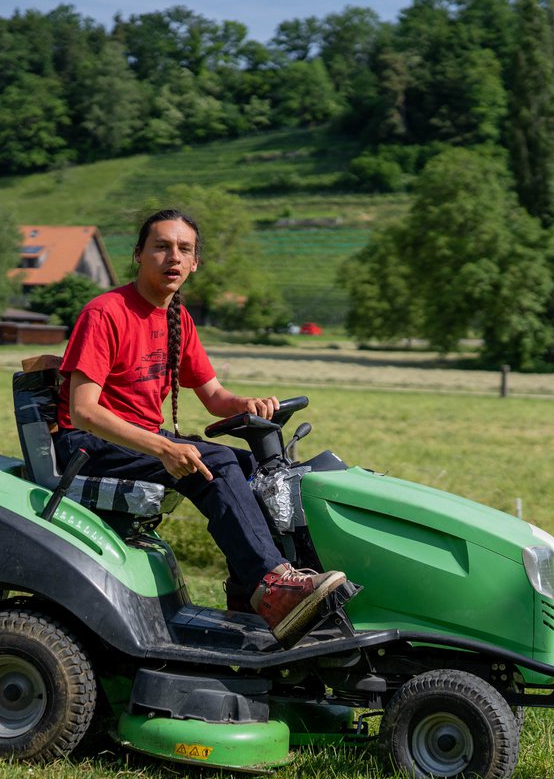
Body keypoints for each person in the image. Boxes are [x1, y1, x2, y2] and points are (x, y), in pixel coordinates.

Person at [53, 209, 345, 647]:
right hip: (86, 444)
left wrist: (248, 404)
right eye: (161, 246)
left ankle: (249, 598)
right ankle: (273, 588)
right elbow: (83, 412)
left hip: (132, 438)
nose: (173, 256)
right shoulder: (105, 313)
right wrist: (161, 447)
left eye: (184, 249)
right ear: (138, 255)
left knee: (257, 470)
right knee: (219, 463)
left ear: (194, 263)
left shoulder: (177, 320)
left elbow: (214, 397)